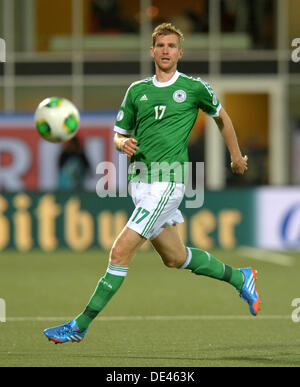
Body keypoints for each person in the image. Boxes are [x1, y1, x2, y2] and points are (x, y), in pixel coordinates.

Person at [44, 23, 260, 344]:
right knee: (175, 257)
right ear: (152, 51)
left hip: (167, 183)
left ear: (180, 52)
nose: (166, 51)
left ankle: (79, 325)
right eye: (160, 46)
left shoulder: (194, 88)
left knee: (119, 252)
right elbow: (120, 134)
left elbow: (221, 117)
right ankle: (241, 277)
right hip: (140, 184)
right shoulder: (136, 91)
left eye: (172, 46)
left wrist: (236, 155)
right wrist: (121, 145)